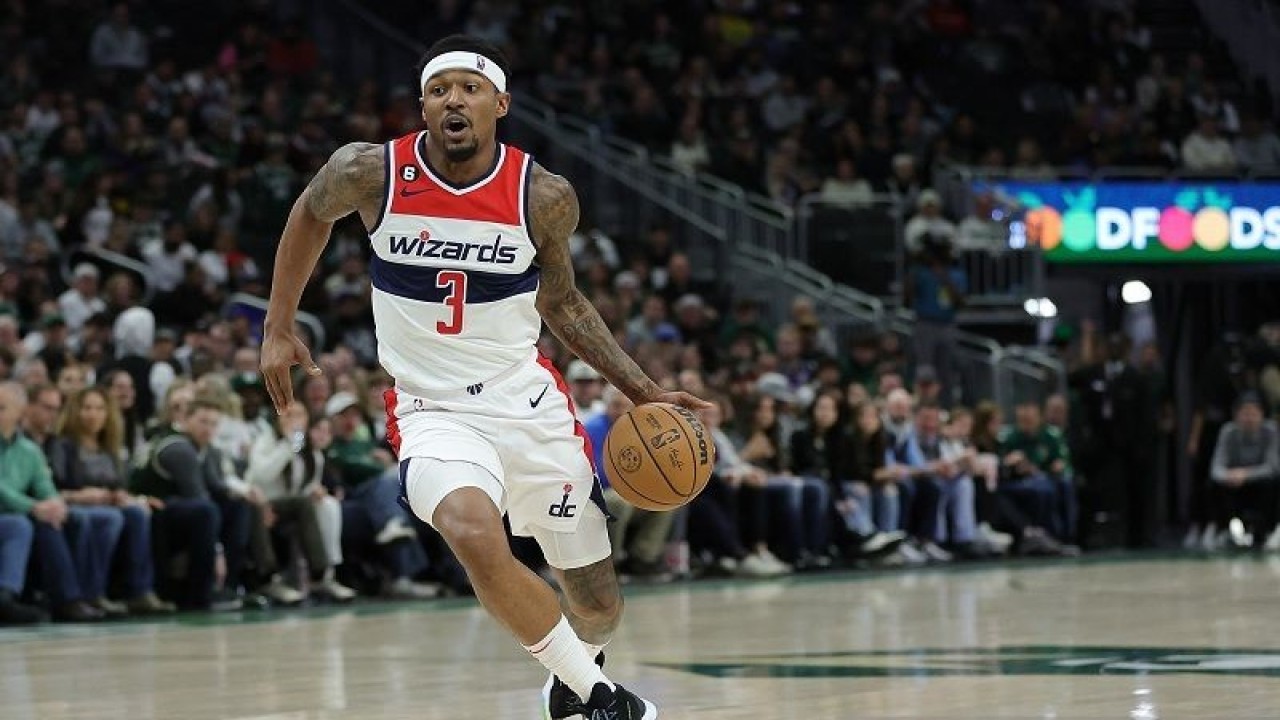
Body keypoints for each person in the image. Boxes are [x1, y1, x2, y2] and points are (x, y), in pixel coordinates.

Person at [260, 36, 706, 719]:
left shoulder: (544, 196)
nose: (453, 100)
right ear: (424, 107)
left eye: (469, 88)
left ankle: (580, 671)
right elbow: (308, 215)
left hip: (525, 404)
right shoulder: (369, 172)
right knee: (472, 533)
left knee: (598, 604)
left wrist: (643, 390)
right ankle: (604, 699)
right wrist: (278, 325)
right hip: (430, 409)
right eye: (439, 90)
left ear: (499, 103)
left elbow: (563, 303)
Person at [49, 387, 174, 615]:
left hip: (107, 504)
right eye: (87, 408)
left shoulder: (110, 447)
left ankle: (139, 591)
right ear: (75, 412)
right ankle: (93, 593)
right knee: (110, 518)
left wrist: (132, 499)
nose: (93, 414)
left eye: (99, 408)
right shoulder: (63, 445)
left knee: (138, 513)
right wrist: (82, 495)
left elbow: (119, 486)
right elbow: (54, 489)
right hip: (75, 504)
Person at [0, 382, 103, 621]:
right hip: (13, 514)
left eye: (2, 408)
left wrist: (56, 505)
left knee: (73, 519)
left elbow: (45, 486)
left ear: (20, 412)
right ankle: (8, 597)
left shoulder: (29, 450)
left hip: (17, 512)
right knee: (20, 524)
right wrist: (34, 507)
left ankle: (79, 596)